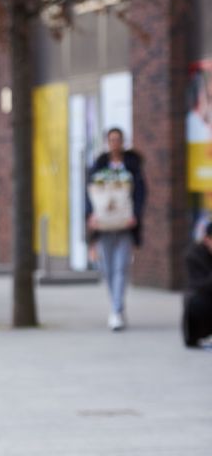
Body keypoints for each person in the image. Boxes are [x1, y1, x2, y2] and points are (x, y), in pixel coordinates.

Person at [85, 127, 146, 331]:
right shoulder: (99, 164)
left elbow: (140, 193)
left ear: (123, 141)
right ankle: (116, 305)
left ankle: (116, 310)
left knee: (121, 268)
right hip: (104, 226)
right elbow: (90, 194)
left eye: (118, 139)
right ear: (107, 142)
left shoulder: (132, 165)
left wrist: (135, 216)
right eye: (111, 139)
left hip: (125, 226)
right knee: (108, 269)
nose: (115, 143)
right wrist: (90, 216)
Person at [182, 220, 212, 348]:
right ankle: (197, 335)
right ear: (206, 239)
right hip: (202, 298)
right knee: (196, 302)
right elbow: (199, 285)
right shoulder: (193, 255)